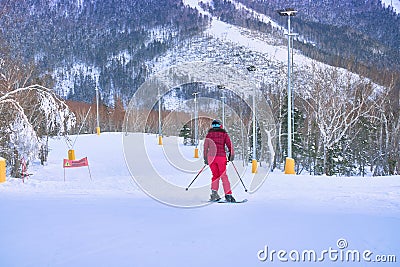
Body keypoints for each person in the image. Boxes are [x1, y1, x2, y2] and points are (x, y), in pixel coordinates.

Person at [203, 119, 236, 202]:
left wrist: (205, 158)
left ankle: (214, 194)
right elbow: (230, 145)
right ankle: (228, 195)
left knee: (215, 175)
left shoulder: (208, 135)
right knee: (223, 176)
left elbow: (205, 148)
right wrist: (231, 155)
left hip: (211, 158)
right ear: (221, 126)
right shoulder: (224, 134)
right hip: (221, 157)